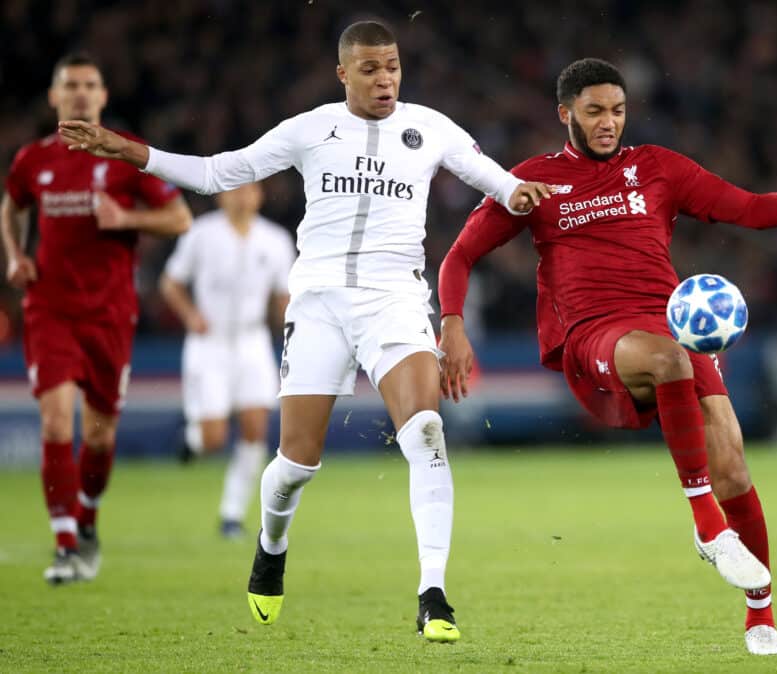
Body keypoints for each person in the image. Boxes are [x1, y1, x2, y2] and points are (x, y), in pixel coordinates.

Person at [59, 21, 550, 640]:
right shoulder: (309, 128)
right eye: (370, 69)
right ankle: (271, 543)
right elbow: (217, 173)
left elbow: (503, 186)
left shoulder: (433, 129)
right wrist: (127, 148)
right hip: (318, 303)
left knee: (426, 432)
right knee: (296, 462)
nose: (385, 79)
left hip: (395, 301)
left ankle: (433, 593)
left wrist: (531, 193)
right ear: (343, 73)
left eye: (393, 66)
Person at [437, 58, 777, 655]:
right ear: (565, 114)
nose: (609, 122)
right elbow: (458, 256)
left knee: (735, 470)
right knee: (668, 361)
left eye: (616, 110)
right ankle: (703, 521)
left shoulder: (658, 168)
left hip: (670, 326)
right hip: (596, 335)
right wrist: (452, 324)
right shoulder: (534, 181)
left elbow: (746, 209)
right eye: (594, 111)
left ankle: (761, 617)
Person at [1, 53, 191, 585]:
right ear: (54, 97)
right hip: (50, 309)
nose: (80, 94)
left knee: (100, 437)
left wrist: (127, 218)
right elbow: (11, 204)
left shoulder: (124, 155)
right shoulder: (32, 160)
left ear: (103, 97)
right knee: (57, 422)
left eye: (90, 85)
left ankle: (86, 517)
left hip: (109, 314)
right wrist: (14, 254)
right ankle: (65, 544)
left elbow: (179, 218)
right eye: (71, 85)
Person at [159, 182, 294, 538]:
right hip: (210, 342)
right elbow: (170, 283)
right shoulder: (201, 234)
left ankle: (231, 514)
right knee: (214, 437)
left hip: (252, 341)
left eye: (249, 190)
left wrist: (292, 323)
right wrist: (190, 316)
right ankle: (193, 441)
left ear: (260, 195)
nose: (242, 197)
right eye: (235, 190)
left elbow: (284, 296)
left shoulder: (275, 240)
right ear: (221, 196)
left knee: (255, 428)